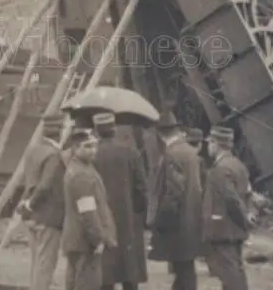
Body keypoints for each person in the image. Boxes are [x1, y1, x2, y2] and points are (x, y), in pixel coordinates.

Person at [92, 113, 148, 290]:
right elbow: (141, 188)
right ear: (114, 129)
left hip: (100, 216)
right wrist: (138, 211)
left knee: (105, 270)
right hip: (128, 218)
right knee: (129, 269)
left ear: (96, 131)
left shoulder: (92, 155)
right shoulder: (130, 152)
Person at [147, 122, 202, 290]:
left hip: (178, 222)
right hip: (190, 218)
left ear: (160, 134)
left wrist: (162, 220)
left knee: (183, 269)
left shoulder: (172, 154)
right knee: (185, 268)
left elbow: (174, 191)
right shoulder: (190, 152)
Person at [62, 128, 117, 290]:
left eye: (94, 146)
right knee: (87, 284)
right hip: (84, 242)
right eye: (87, 146)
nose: (93, 150)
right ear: (76, 148)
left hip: (77, 240)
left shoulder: (79, 168)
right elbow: (88, 212)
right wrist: (97, 239)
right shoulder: (82, 175)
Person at [21, 114, 67, 290]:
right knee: (46, 265)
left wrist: (28, 204)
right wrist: (33, 202)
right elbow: (45, 185)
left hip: (30, 214)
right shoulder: (54, 155)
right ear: (59, 132)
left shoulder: (33, 149)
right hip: (48, 216)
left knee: (35, 262)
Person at [202, 126, 251, 290]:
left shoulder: (220, 169)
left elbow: (231, 200)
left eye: (210, 143)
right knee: (235, 270)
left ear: (216, 143)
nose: (208, 146)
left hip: (223, 229)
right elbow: (246, 194)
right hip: (234, 229)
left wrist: (242, 219)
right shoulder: (238, 165)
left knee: (230, 275)